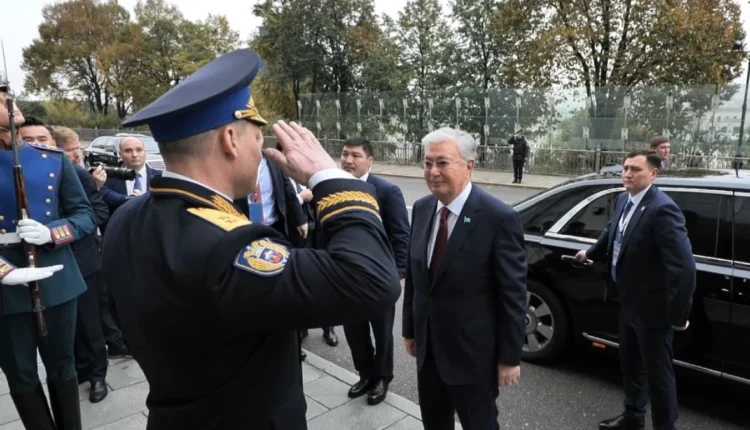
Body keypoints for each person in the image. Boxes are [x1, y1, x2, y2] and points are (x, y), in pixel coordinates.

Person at [101, 48, 401, 429]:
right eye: (258, 136)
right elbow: (372, 281)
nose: (262, 149)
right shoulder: (226, 245)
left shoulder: (126, 217)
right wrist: (330, 177)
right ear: (230, 139)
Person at [403, 127, 527, 430]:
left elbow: (512, 295)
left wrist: (509, 357)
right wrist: (410, 330)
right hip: (429, 350)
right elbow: (416, 276)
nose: (433, 171)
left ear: (469, 165)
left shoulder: (498, 217)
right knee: (434, 422)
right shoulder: (422, 208)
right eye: (427, 163)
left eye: (442, 163)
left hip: (473, 357)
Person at [575, 149, 696, 430]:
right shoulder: (623, 200)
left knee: (658, 375)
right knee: (630, 365)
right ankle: (633, 416)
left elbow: (684, 268)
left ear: (653, 173)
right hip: (626, 300)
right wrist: (590, 252)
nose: (627, 174)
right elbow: (613, 231)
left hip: (653, 311)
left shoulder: (662, 209)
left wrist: (678, 316)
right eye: (626, 168)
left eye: (635, 169)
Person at [0, 83, 97, 429]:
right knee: (21, 374)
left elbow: (84, 214)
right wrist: (3, 270)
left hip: (55, 276)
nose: (8, 101)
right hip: (5, 288)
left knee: (63, 365)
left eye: (7, 95)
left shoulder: (52, 159)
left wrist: (51, 233)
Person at [19, 119, 110, 403]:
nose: (37, 145)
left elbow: (94, 213)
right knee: (64, 333)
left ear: (52, 143)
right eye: (28, 139)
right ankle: (79, 370)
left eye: (42, 139)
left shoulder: (69, 170)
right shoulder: (14, 173)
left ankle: (98, 375)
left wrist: (53, 233)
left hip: (79, 260)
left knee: (89, 325)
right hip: (36, 269)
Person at [340, 136, 410, 405]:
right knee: (354, 331)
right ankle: (365, 374)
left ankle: (382, 378)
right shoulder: (335, 187)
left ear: (369, 160)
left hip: (380, 276)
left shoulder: (387, 191)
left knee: (382, 331)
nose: (348, 160)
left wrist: (399, 273)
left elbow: (401, 235)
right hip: (345, 275)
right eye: (345, 154)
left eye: (355, 155)